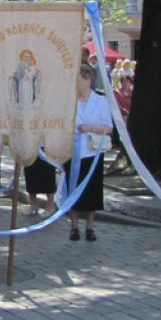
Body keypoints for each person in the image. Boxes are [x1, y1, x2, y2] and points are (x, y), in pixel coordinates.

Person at [66, 65, 114, 241]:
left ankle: (90, 226)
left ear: (87, 81)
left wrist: (91, 128)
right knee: (72, 187)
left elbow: (109, 127)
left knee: (92, 191)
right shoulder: (70, 101)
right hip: (73, 151)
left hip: (93, 152)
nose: (76, 83)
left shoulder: (100, 101)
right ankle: (74, 226)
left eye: (78, 79)